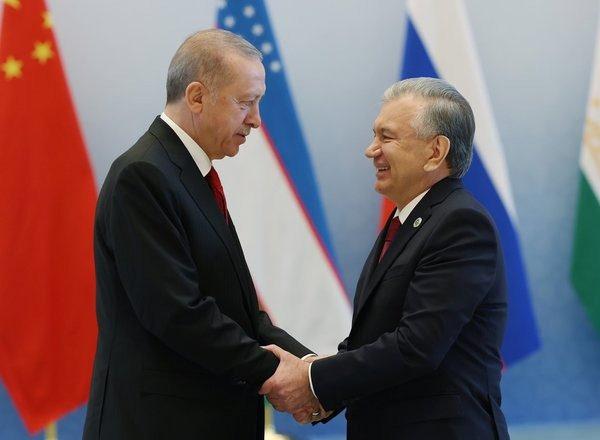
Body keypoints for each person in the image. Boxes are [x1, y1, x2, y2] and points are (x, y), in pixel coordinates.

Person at [83, 29, 315, 440]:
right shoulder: (144, 175)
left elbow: (237, 311)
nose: (257, 120)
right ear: (196, 97)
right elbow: (178, 312)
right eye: (245, 102)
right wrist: (278, 374)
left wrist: (313, 371)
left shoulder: (187, 173)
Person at [260, 77, 510, 440]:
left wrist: (312, 380)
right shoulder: (407, 220)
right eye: (374, 135)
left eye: (386, 137)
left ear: (435, 151)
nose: (370, 150)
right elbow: (372, 338)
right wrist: (323, 390)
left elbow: (416, 346)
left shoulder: (460, 223)